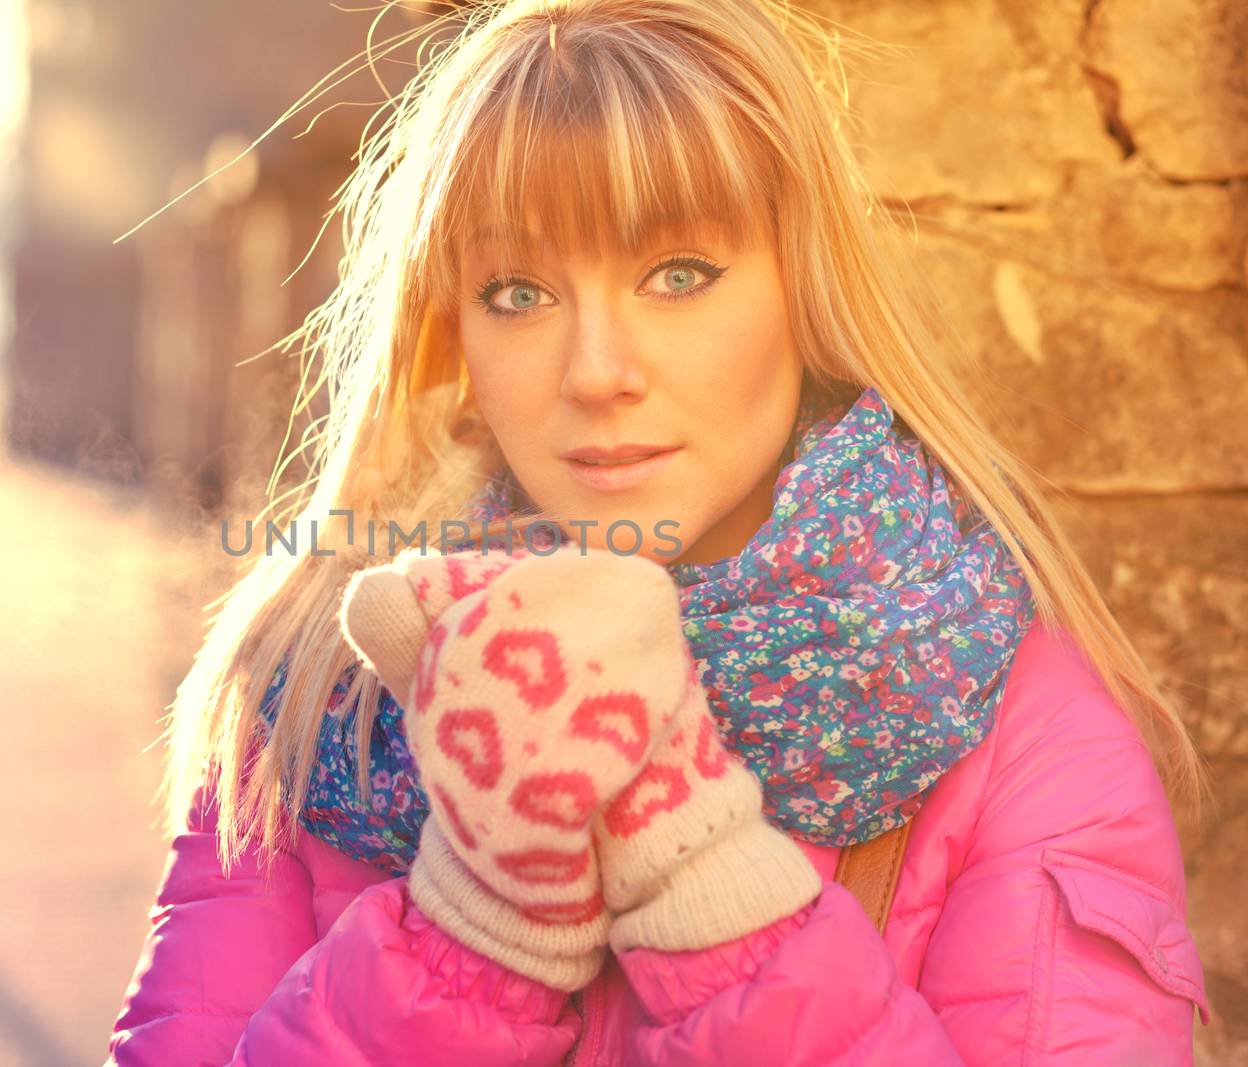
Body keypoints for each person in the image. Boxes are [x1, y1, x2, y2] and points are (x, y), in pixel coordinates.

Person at [105, 0, 1213, 1062]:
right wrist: (470, 942)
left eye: (677, 275)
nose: (596, 371)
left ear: (802, 290)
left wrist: (721, 907)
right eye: (518, 291)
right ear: (451, 330)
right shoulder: (314, 711)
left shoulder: (1022, 735)